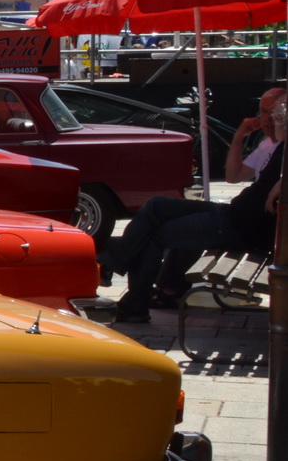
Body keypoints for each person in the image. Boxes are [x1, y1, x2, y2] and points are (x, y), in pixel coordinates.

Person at [103, 95, 284, 323]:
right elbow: (233, 176)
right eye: (263, 112)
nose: (266, 120)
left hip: (237, 228)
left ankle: (131, 297)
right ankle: (117, 266)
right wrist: (239, 136)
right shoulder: (274, 145)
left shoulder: (284, 149)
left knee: (154, 234)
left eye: (275, 116)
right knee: (156, 206)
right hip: (231, 215)